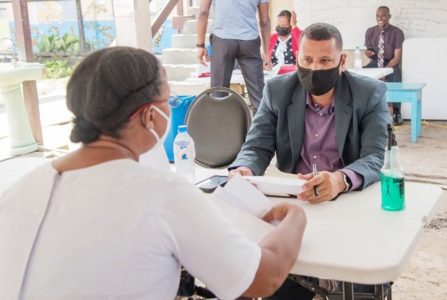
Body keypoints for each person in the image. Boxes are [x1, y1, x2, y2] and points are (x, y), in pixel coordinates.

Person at [0, 47, 307, 299]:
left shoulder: (23, 188)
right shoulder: (160, 193)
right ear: (149, 115)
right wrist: (295, 217)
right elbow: (262, 279)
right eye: (167, 100)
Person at [229, 23, 390, 298]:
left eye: (325, 60)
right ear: (297, 57)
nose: (315, 68)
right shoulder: (278, 90)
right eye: (307, 59)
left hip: (347, 204)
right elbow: (256, 146)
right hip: (297, 203)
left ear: (342, 61)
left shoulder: (369, 93)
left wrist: (339, 180)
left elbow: (374, 156)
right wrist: (243, 168)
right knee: (275, 279)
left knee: (356, 280)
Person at [197, 0, 271, 113]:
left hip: (222, 40)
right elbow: (264, 21)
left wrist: (200, 45)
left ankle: (222, 129)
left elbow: (203, 12)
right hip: (249, 41)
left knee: (218, 95)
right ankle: (262, 130)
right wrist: (266, 52)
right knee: (258, 97)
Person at [364, 6, 405, 125]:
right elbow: (370, 53)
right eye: (377, 15)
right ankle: (366, 111)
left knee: (396, 74)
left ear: (389, 16)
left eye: (383, 15)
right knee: (361, 76)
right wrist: (368, 53)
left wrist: (384, 72)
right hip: (375, 62)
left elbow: (397, 58)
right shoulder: (370, 31)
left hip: (390, 63)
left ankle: (396, 112)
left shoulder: (397, 32)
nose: (380, 18)